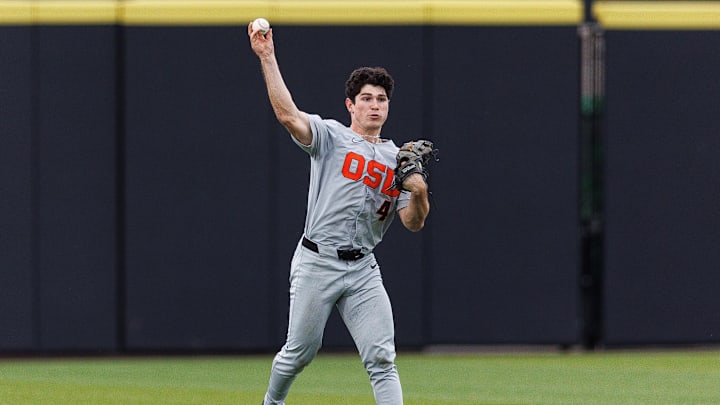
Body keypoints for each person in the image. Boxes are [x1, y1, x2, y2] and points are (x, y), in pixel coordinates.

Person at [248, 21, 430, 405]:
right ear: (351, 105)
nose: (375, 105)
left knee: (382, 358)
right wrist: (267, 57)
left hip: (363, 268)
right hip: (318, 261)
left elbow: (412, 223)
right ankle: (272, 402)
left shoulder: (398, 158)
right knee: (299, 353)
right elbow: (288, 116)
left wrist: (420, 192)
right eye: (366, 98)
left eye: (381, 99)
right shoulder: (330, 136)